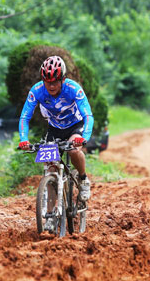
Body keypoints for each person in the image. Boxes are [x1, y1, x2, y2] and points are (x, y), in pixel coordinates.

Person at [18, 55, 94, 202]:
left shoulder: (74, 89)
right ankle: (51, 215)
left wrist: (84, 137)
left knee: (73, 150)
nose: (51, 86)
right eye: (47, 82)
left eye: (55, 82)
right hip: (54, 128)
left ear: (63, 79)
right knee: (50, 168)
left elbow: (88, 116)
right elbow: (25, 117)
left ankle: (83, 179)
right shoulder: (37, 91)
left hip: (75, 126)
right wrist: (24, 139)